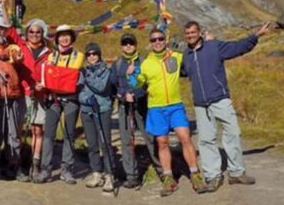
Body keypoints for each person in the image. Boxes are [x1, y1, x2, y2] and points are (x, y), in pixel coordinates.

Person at [182, 21, 272, 192]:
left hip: (220, 99)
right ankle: (213, 176)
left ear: (200, 33)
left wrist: (256, 35)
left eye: (193, 32)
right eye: (187, 33)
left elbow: (238, 47)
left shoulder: (214, 47)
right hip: (201, 104)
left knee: (233, 133)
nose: (190, 36)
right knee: (206, 140)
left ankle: (236, 172)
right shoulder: (185, 55)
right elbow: (179, 72)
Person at [135, 28, 207, 197]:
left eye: (160, 39)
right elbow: (138, 84)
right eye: (154, 40)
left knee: (185, 137)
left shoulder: (176, 56)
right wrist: (132, 76)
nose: (157, 42)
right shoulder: (146, 63)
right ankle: (168, 178)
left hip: (175, 106)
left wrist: (206, 41)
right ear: (150, 43)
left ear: (165, 40)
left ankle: (195, 174)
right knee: (162, 142)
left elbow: (194, 55)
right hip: (156, 108)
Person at [33, 24, 84, 184]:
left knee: (69, 135)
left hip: (71, 99)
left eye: (67, 35)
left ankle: (67, 169)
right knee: (48, 134)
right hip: (53, 99)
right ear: (57, 39)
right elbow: (56, 77)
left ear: (72, 38)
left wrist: (53, 75)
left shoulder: (78, 56)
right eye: (61, 35)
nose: (64, 38)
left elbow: (69, 75)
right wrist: (47, 81)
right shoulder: (51, 56)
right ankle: (45, 169)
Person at [111, 32, 161, 188]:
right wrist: (122, 96)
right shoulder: (117, 64)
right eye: (125, 43)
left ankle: (162, 170)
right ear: (121, 46)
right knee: (126, 141)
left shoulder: (144, 62)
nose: (128, 46)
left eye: (131, 43)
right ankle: (131, 175)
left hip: (143, 105)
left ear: (136, 45)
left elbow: (149, 84)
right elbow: (113, 85)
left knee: (150, 138)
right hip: (125, 107)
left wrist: (136, 94)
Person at [0, 17, 28, 181]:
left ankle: (13, 163)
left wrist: (19, 59)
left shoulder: (11, 47)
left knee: (13, 132)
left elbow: (19, 60)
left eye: (1, 28)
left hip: (13, 93)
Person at [79, 42, 116, 192]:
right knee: (92, 143)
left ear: (99, 55)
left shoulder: (105, 70)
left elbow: (101, 87)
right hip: (86, 110)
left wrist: (87, 77)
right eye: (89, 54)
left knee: (105, 143)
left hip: (102, 109)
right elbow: (79, 90)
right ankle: (96, 172)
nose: (92, 56)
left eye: (94, 53)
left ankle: (109, 174)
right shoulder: (83, 71)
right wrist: (85, 99)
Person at [22, 18, 52, 181]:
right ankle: (20, 163)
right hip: (23, 93)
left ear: (42, 33)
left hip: (40, 95)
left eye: (38, 32)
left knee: (37, 130)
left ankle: (35, 164)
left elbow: (52, 74)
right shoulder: (21, 48)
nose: (34, 35)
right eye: (31, 32)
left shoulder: (49, 53)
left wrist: (44, 85)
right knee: (21, 130)